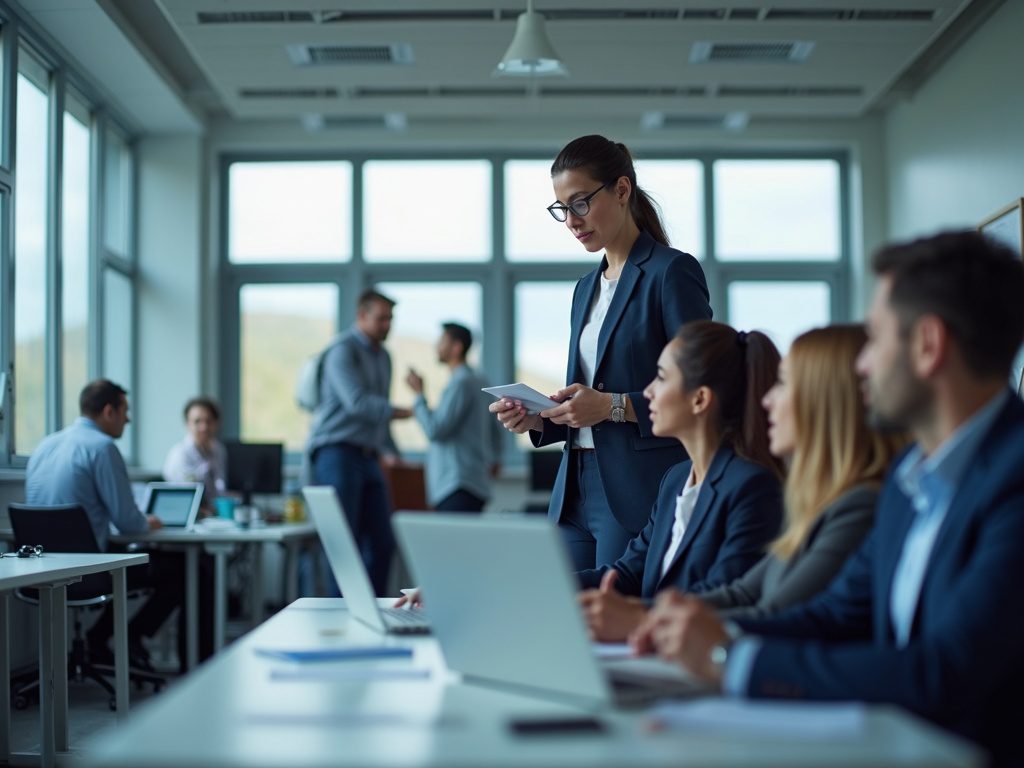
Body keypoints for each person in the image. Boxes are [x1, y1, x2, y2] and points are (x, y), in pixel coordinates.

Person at [631, 231, 1024, 767]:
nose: (862, 365)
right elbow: (835, 614)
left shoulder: (1012, 478)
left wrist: (729, 657)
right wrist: (691, 632)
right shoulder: (909, 481)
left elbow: (946, 670)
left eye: (876, 339)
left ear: (928, 346)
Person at [491, 135, 712, 571]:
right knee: (558, 605)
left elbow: (701, 390)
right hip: (573, 488)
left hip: (637, 489)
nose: (572, 221)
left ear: (622, 190)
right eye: (562, 209)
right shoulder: (585, 288)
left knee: (608, 608)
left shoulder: (671, 272)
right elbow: (588, 401)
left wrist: (612, 407)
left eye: (580, 203)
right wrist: (539, 419)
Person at [576, 320, 785, 642]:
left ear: (699, 399)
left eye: (660, 378)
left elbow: (721, 596)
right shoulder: (675, 480)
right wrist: (548, 583)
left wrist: (633, 616)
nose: (648, 392)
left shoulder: (752, 487)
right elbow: (628, 573)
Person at [698, 325, 906, 620]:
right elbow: (742, 593)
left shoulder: (859, 507)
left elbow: (774, 616)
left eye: (782, 383)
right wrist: (645, 613)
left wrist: (657, 622)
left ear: (824, 403)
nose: (767, 400)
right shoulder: (822, 505)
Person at [26, 379, 214, 671]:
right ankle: (131, 639)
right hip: (87, 571)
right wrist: (149, 521)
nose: (128, 419)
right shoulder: (103, 448)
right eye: (125, 411)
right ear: (108, 411)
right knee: (188, 571)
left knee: (149, 564)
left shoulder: (45, 444)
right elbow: (128, 523)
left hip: (36, 569)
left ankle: (100, 638)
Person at [306, 288, 412, 595]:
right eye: (381, 318)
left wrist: (392, 451)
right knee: (343, 542)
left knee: (383, 541)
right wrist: (404, 412)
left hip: (368, 456)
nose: (387, 325)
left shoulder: (384, 357)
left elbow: (377, 416)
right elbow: (357, 403)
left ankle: (372, 609)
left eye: (390, 319)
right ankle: (340, 612)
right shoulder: (342, 351)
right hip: (336, 453)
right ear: (361, 315)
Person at [405, 322, 502, 512]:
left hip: (456, 483)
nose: (436, 346)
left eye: (442, 341)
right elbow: (496, 429)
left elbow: (435, 430)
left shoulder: (460, 383)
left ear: (457, 347)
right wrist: (496, 459)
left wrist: (419, 395)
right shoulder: (480, 380)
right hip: (474, 480)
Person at [163, 396, 227, 510]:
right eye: (197, 421)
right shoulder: (180, 455)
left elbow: (220, 487)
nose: (204, 427)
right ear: (187, 424)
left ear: (216, 423)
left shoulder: (219, 450)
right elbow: (185, 498)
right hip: (185, 511)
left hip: (214, 511)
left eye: (209, 421)